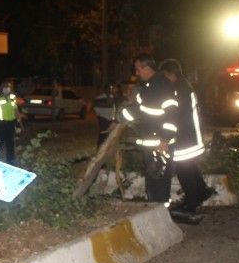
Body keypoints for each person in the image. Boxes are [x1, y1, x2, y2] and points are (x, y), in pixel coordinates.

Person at [118, 54, 179, 206]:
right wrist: (117, 119)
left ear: (147, 68)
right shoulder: (147, 87)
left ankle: (161, 211)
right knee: (153, 181)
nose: (136, 73)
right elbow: (137, 109)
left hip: (160, 144)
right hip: (152, 144)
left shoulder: (163, 86)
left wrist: (165, 139)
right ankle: (157, 209)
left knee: (159, 180)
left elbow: (172, 115)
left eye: (138, 69)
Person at [159, 59, 215, 214]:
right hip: (191, 135)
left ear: (171, 73)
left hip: (186, 137)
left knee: (184, 170)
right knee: (189, 167)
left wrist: (167, 136)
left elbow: (176, 116)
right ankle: (200, 192)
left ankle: (191, 203)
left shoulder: (178, 89)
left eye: (164, 75)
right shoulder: (184, 86)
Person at [0, 80, 22, 165]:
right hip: (1, 125)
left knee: (10, 144)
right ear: (1, 88)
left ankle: (10, 162)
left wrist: (21, 124)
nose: (6, 88)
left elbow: (16, 111)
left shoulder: (12, 98)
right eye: (4, 86)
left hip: (11, 124)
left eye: (8, 86)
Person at [92, 83, 117, 148]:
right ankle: (99, 147)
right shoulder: (100, 98)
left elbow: (114, 107)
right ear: (105, 89)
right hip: (103, 117)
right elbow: (95, 107)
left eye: (110, 89)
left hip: (110, 118)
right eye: (107, 89)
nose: (108, 90)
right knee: (103, 133)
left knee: (109, 134)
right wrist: (99, 115)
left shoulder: (112, 97)